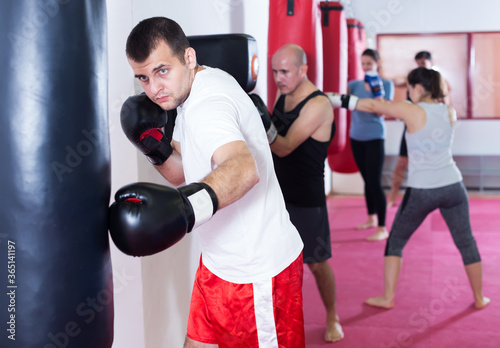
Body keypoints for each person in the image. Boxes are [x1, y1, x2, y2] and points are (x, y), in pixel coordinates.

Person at [115, 17, 306, 348]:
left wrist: (185, 209)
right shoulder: (191, 90)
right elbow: (184, 173)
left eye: (162, 71)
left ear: (188, 58)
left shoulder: (207, 106)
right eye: (143, 77)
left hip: (256, 273)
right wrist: (155, 149)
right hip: (218, 263)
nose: (153, 88)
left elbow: (244, 169)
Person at [327, 67, 490, 310]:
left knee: (396, 242)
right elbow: (388, 107)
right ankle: (479, 298)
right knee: (466, 243)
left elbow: (371, 107)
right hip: (453, 187)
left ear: (419, 88)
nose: (408, 92)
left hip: (422, 191)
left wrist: (333, 99)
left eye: (410, 88)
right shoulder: (448, 111)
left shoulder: (411, 110)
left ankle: (387, 298)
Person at [263, 43, 344, 343]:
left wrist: (262, 122)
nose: (278, 78)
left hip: (307, 198)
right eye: (274, 71)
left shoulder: (318, 104)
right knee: (275, 262)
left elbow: (282, 146)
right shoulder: (283, 94)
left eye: (284, 71)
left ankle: (333, 316)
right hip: (277, 196)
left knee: (317, 263)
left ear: (303, 70)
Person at [388, 51, 451, 207]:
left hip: (430, 128)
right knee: (402, 163)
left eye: (423, 62)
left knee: (433, 162)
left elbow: (447, 103)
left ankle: (436, 197)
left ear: (431, 62)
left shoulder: (438, 81)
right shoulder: (413, 79)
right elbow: (396, 81)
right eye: (419, 63)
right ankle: (392, 198)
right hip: (411, 126)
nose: (421, 65)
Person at [347, 49, 394, 241]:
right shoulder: (353, 85)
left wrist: (377, 96)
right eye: (363, 63)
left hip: (375, 137)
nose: (366, 67)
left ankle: (383, 228)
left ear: (377, 63)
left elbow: (382, 113)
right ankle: (371, 218)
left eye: (369, 64)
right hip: (356, 137)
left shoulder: (386, 84)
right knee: (367, 180)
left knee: (374, 181)